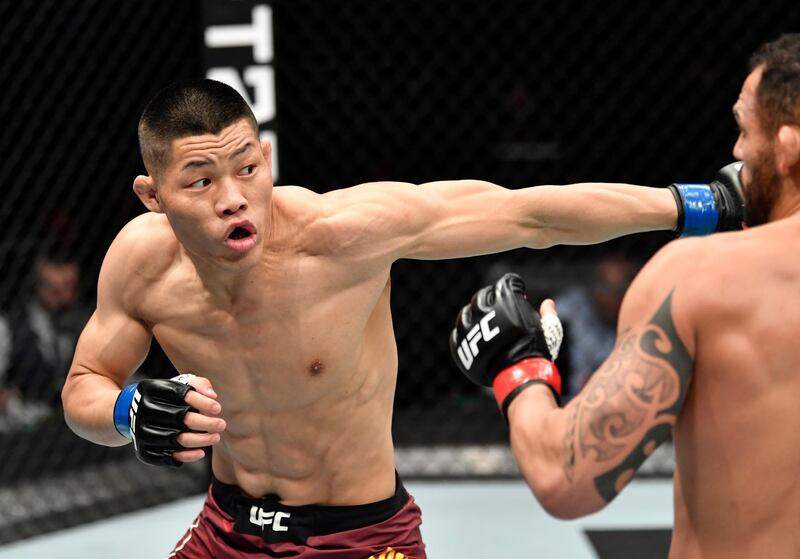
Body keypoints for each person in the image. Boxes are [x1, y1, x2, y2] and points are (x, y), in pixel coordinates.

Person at [61, 78, 740, 558]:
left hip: (360, 537)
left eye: (246, 167)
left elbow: (528, 213)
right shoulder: (140, 262)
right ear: (153, 195)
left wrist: (701, 203)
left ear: (266, 157)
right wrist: (124, 412)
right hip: (228, 530)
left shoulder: (344, 234)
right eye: (201, 180)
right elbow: (84, 385)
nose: (234, 198)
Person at [450, 33, 800, 559]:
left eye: (745, 130)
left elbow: (562, 475)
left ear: (789, 146)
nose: (736, 153)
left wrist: (518, 367)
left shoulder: (699, 280)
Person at [0, 248, 90, 430]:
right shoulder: (9, 325)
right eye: (54, 291)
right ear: (38, 286)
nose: (64, 298)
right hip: (23, 423)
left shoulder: (86, 320)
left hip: (76, 421)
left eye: (70, 288)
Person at [555, 252, 638, 396]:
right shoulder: (571, 308)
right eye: (605, 288)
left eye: (619, 290)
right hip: (569, 398)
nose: (611, 298)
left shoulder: (638, 314)